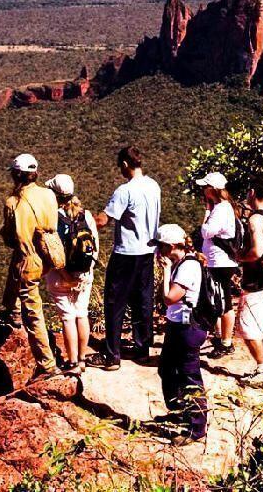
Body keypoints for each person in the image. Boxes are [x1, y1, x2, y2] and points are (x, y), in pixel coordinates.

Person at [87, 146, 161, 370]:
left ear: (126, 164)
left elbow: (103, 221)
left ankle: (112, 355)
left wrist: (85, 217)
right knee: (143, 300)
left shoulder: (124, 191)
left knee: (114, 302)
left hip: (126, 253)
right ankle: (142, 348)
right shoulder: (153, 185)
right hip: (148, 252)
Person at [0, 153, 60, 381]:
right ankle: (11, 309)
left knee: (33, 311)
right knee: (17, 269)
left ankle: (47, 364)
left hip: (30, 257)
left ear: (16, 175)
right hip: (48, 254)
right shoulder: (48, 194)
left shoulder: (15, 202)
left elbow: (16, 239)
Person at [151, 223, 209, 445]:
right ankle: (179, 412)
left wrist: (165, 271)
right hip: (177, 325)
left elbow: (170, 297)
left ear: (172, 246)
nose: (158, 251)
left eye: (161, 246)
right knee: (167, 369)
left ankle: (196, 428)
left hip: (188, 328)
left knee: (189, 376)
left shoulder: (187, 267)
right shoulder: (181, 263)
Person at [44, 174, 99, 375]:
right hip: (84, 275)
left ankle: (73, 362)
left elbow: (52, 252)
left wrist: (66, 276)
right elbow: (95, 249)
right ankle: (83, 360)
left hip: (60, 277)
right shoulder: (87, 215)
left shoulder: (51, 219)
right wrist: (84, 274)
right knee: (81, 314)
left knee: (67, 318)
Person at [236, 176, 263, 385]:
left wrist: (239, 258)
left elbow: (256, 251)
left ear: (252, 192)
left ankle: (262, 368)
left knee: (247, 326)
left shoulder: (255, 219)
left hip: (255, 279)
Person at [196, 172, 238, 359]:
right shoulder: (222, 208)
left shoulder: (221, 209)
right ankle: (221, 338)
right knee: (217, 300)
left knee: (225, 303)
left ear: (212, 189)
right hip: (217, 261)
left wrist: (206, 213)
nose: (203, 190)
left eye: (205, 187)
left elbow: (206, 231)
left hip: (221, 262)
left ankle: (226, 343)